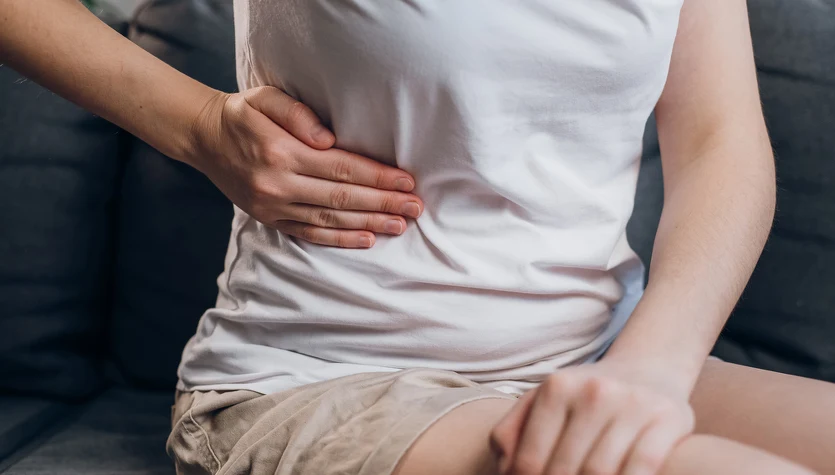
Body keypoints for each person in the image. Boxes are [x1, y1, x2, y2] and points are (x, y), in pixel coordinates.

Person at [3, 0, 834, 474]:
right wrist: (198, 127)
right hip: (320, 379)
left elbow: (720, 140)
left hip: (595, 357)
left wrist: (650, 366)